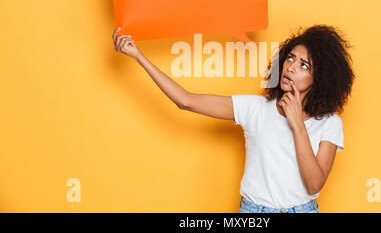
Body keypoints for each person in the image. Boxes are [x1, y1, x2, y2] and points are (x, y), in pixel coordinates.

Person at [112, 25, 355, 213]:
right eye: (290, 58)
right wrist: (138, 56)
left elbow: (314, 185)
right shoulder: (255, 108)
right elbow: (186, 100)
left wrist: (298, 126)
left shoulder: (330, 124)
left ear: (320, 78)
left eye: (304, 65)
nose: (291, 67)